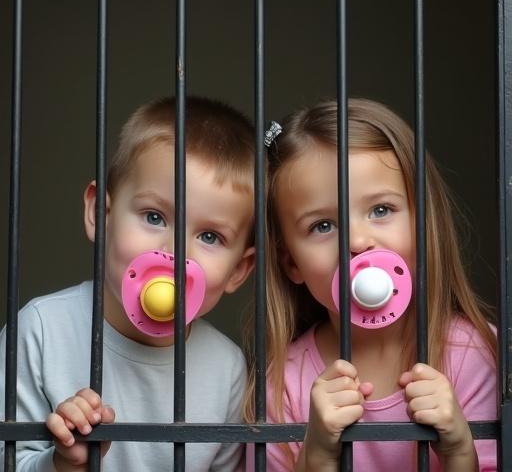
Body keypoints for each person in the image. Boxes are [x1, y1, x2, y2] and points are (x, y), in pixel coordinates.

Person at [0, 96, 256, 471]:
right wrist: (60, 463)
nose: (174, 253)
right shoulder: (39, 331)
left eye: (210, 237)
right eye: (154, 217)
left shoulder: (227, 368)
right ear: (100, 215)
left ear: (238, 270)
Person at [243, 98, 497, 471]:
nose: (357, 241)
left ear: (424, 224)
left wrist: (460, 452)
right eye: (323, 226)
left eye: (381, 210)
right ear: (290, 262)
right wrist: (316, 456)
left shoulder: (473, 352)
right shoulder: (281, 385)